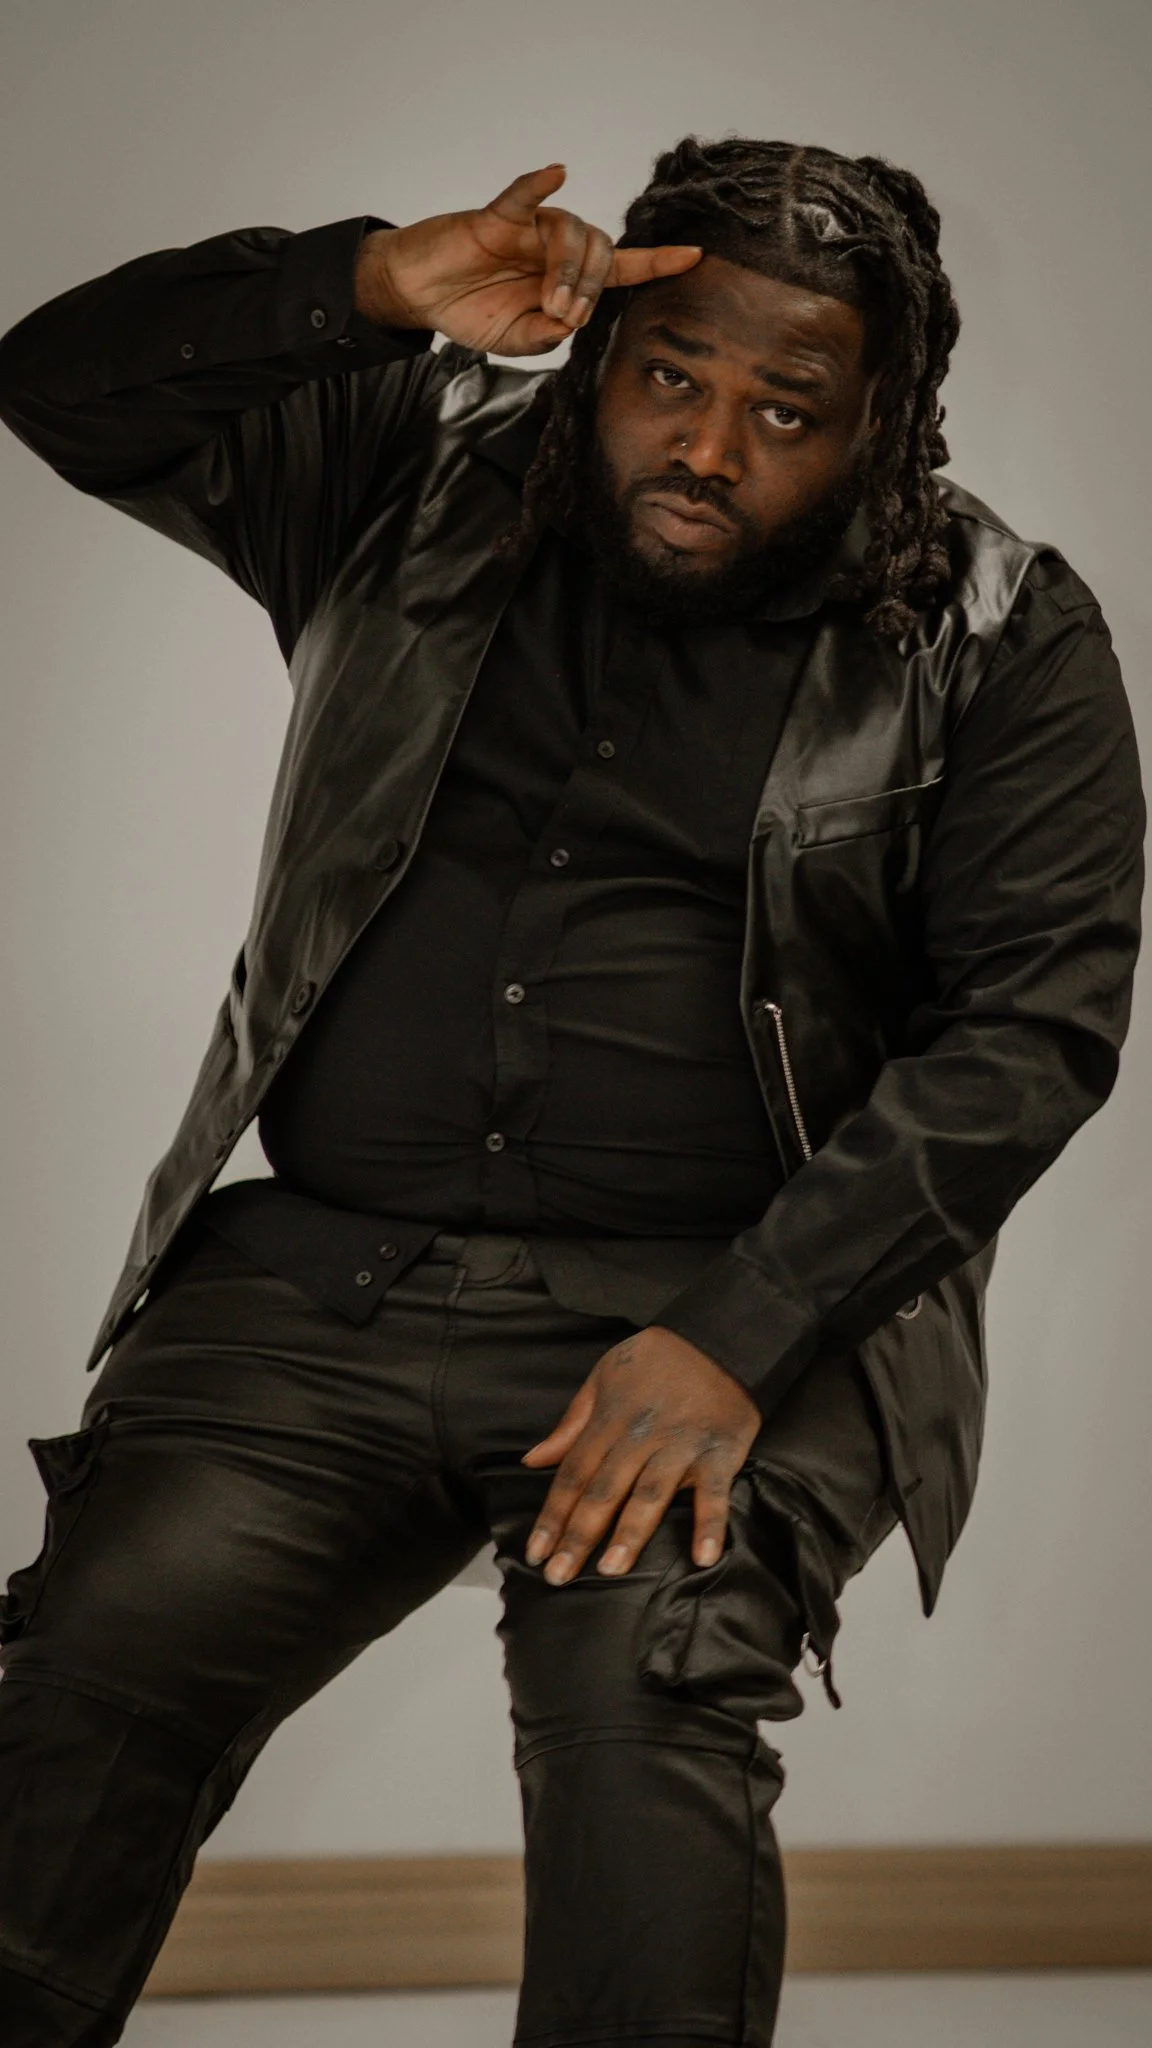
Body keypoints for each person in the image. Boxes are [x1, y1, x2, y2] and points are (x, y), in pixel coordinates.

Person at [0, 136, 1142, 2047]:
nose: (708, 447)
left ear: (882, 426)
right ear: (598, 353)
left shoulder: (997, 635)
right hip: (325, 1291)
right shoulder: (403, 484)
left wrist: (742, 1333)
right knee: (90, 1672)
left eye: (788, 408)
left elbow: (1036, 1030)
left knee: (643, 1707)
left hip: (719, 1313)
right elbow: (57, 380)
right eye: (671, 375)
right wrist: (370, 282)